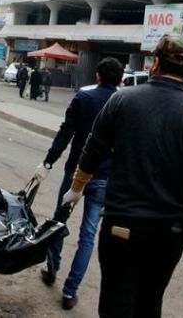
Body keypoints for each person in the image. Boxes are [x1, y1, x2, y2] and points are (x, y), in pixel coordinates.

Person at [62, 33, 183, 317]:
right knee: (150, 303)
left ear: (154, 64)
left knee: (116, 304)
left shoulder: (122, 100)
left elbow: (93, 149)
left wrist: (76, 188)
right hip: (170, 233)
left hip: (122, 226)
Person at [33, 57, 124, 310]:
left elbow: (65, 133)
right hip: (104, 178)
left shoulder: (83, 99)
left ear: (97, 76)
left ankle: (51, 268)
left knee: (59, 221)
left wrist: (48, 163)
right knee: (88, 234)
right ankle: (70, 291)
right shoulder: (124, 104)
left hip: (75, 172)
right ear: (120, 79)